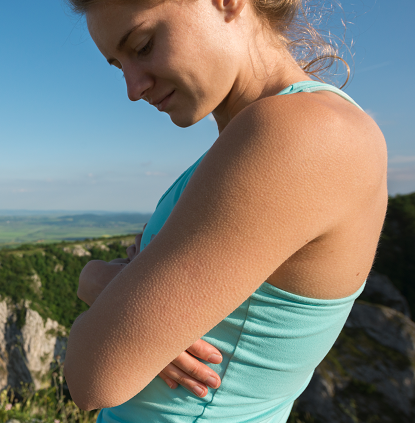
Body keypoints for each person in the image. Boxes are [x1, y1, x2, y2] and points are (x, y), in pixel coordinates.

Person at [62, 0, 387, 422]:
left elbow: (91, 377)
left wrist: (111, 301)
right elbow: (122, 276)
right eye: (116, 65)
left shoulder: (306, 133)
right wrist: (99, 281)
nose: (132, 87)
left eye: (142, 46)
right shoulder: (245, 149)